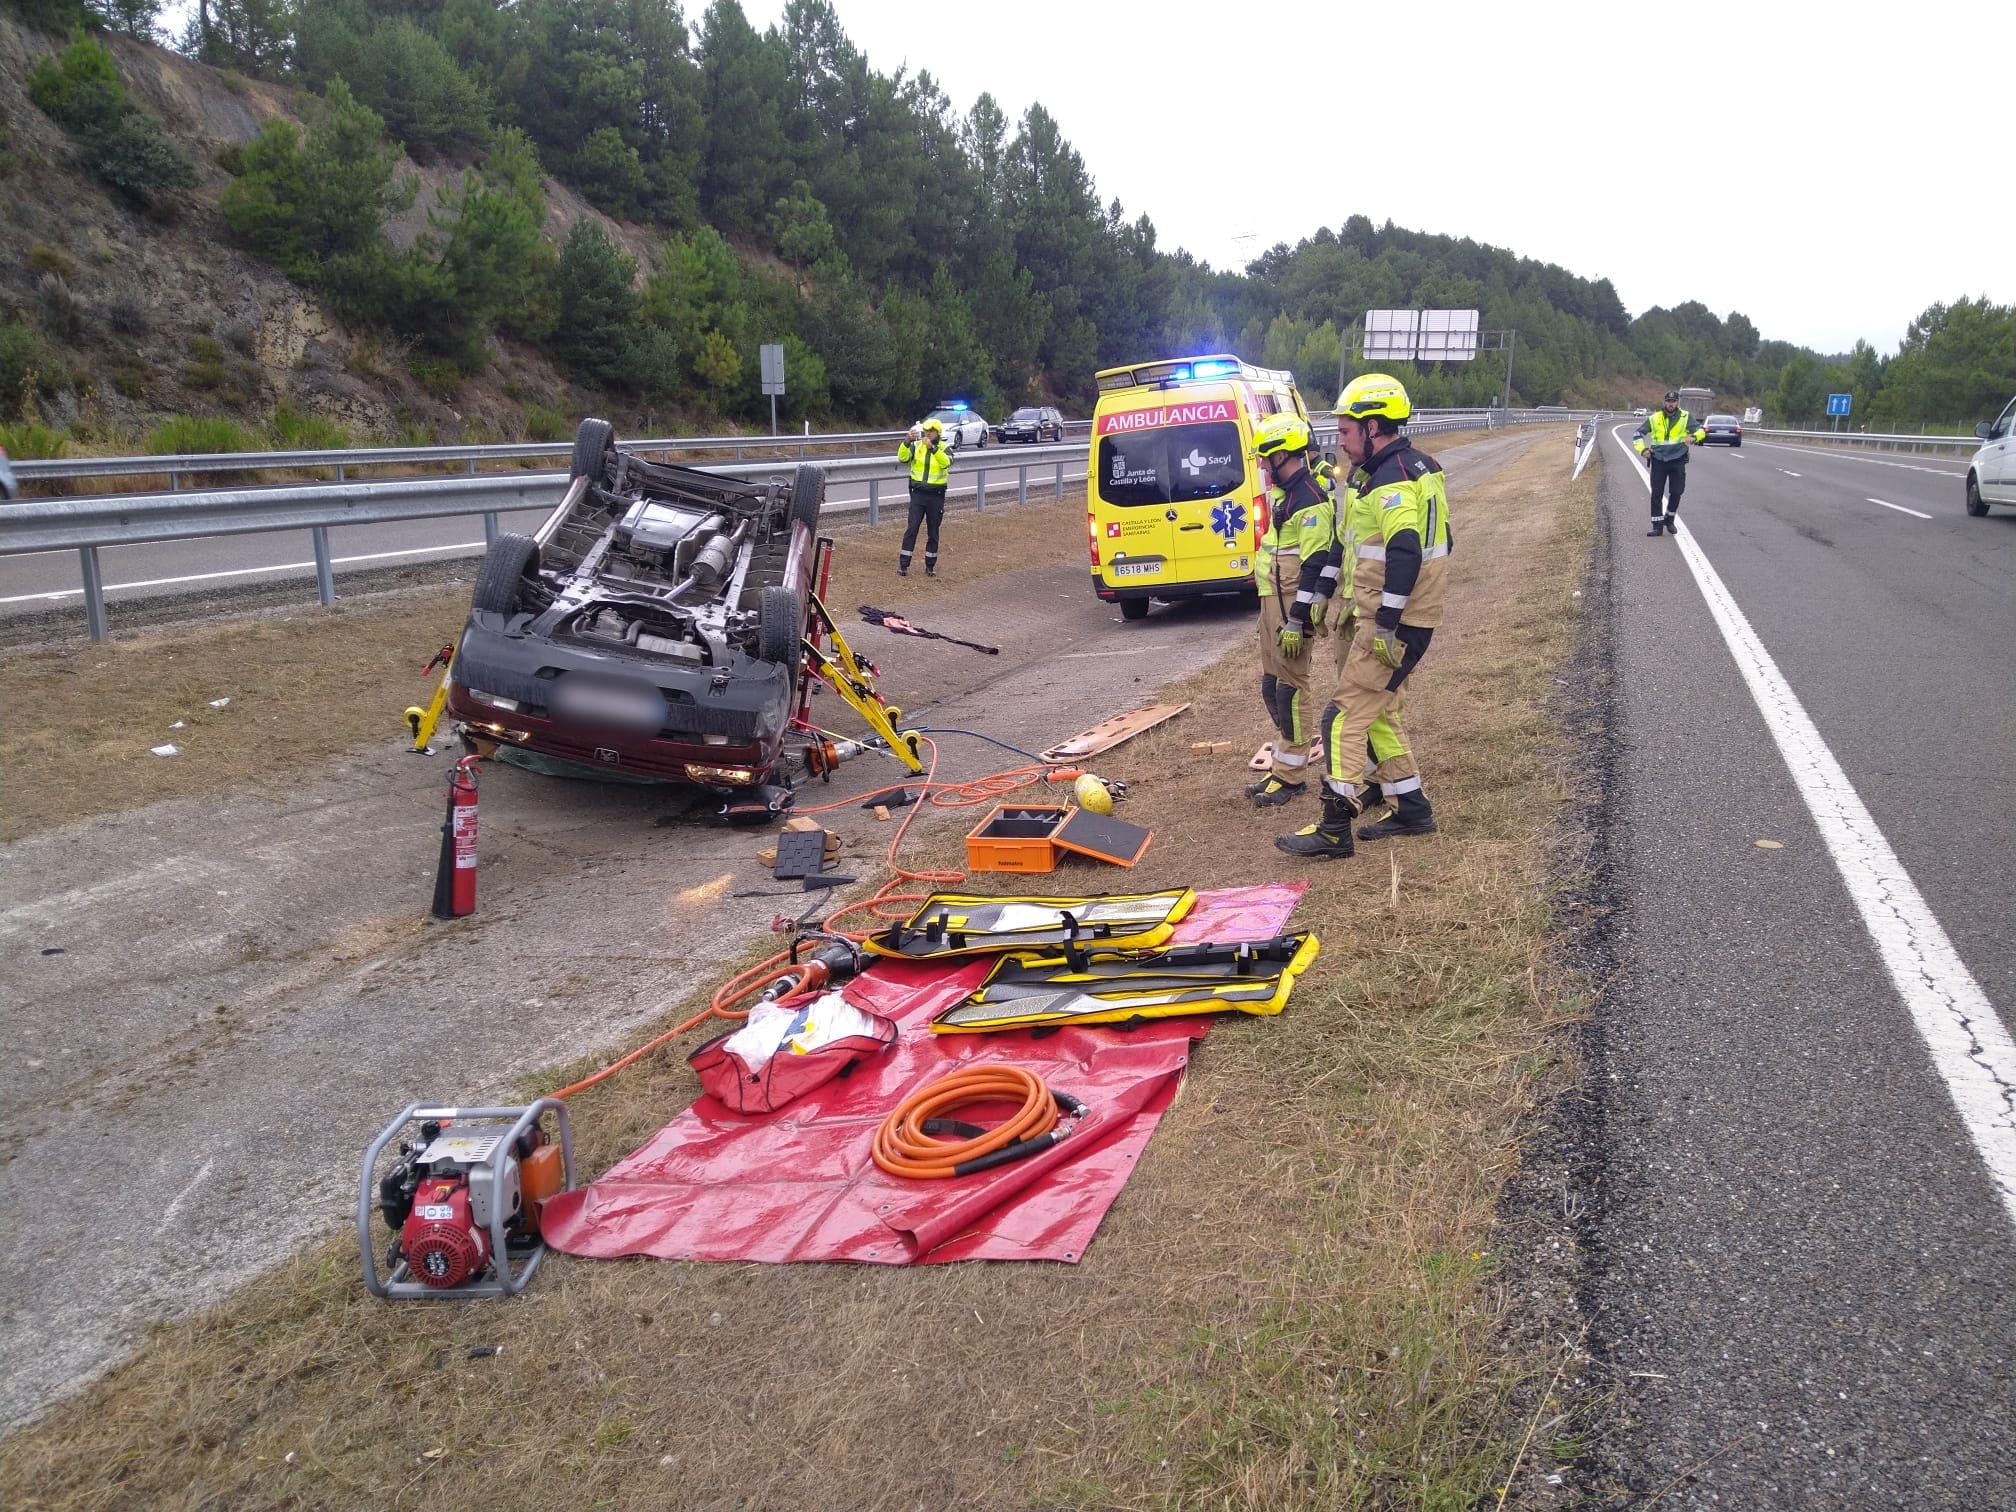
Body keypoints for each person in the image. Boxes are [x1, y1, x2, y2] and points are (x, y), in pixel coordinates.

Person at [1278, 373, 1451, 860]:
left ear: (1374, 426)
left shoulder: (1391, 479)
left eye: (1347, 431)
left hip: (1394, 618)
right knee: (1380, 712)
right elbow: (1356, 543)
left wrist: (1388, 623)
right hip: (1396, 611)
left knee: (1341, 718)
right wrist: (1325, 594)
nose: (1340, 442)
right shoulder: (1415, 466)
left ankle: (1334, 827)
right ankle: (1411, 806)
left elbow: (1405, 547)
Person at [1245, 413, 1340, 807]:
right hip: (1274, 606)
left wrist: (1298, 619)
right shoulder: (1285, 496)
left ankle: (1291, 776)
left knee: (1290, 691)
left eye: (1267, 458)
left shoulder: (1310, 500)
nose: (1263, 466)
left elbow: (1316, 564)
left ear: (1285, 454)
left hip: (1291, 613)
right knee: (1273, 686)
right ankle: (1282, 765)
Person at [1632, 390, 1704, 536]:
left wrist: (1695, 437)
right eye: (1668, 401)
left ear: (1677, 403)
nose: (1671, 404)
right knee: (1656, 493)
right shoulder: (1655, 418)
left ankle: (1669, 519)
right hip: (1659, 459)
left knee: (1677, 491)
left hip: (1678, 459)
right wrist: (1643, 450)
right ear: (1664, 402)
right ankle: (1657, 526)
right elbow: (1638, 434)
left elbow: (1701, 430)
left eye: (1673, 401)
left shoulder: (1685, 417)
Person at [895, 417, 953, 575]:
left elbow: (946, 462)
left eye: (931, 432)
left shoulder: (944, 447)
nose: (927, 434)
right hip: (918, 494)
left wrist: (933, 449)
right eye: (926, 431)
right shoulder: (916, 446)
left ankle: (930, 566)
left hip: (936, 496)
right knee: (912, 528)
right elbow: (902, 458)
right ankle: (903, 565)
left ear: (938, 433)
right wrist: (906, 441)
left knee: (933, 531)